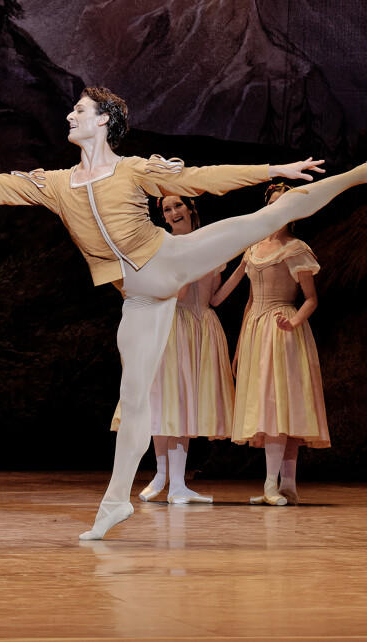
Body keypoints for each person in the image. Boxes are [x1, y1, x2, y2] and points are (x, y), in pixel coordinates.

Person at [0, 88, 367, 539]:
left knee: (266, 218)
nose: (70, 115)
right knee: (135, 402)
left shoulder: (134, 170)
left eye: (80, 110)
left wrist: (272, 169)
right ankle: (115, 502)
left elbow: (201, 178)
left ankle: (362, 172)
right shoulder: (56, 184)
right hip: (140, 298)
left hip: (171, 259)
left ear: (105, 122)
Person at [111, 195, 230, 505]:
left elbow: (213, 297)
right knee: (163, 401)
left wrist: (243, 266)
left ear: (191, 209)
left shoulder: (211, 245)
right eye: (167, 209)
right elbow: (177, 293)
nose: (174, 212)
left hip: (198, 326)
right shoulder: (165, 247)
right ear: (163, 217)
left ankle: (176, 482)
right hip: (171, 325)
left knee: (182, 402)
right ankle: (164, 476)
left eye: (178, 206)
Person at [218, 183, 330, 506]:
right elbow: (249, 301)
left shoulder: (296, 249)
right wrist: (239, 346)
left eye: (285, 206)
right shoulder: (253, 248)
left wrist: (293, 322)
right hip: (257, 330)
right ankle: (276, 484)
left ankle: (281, 484)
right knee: (269, 405)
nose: (278, 211)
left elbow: (311, 299)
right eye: (273, 205)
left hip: (283, 331)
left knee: (282, 406)